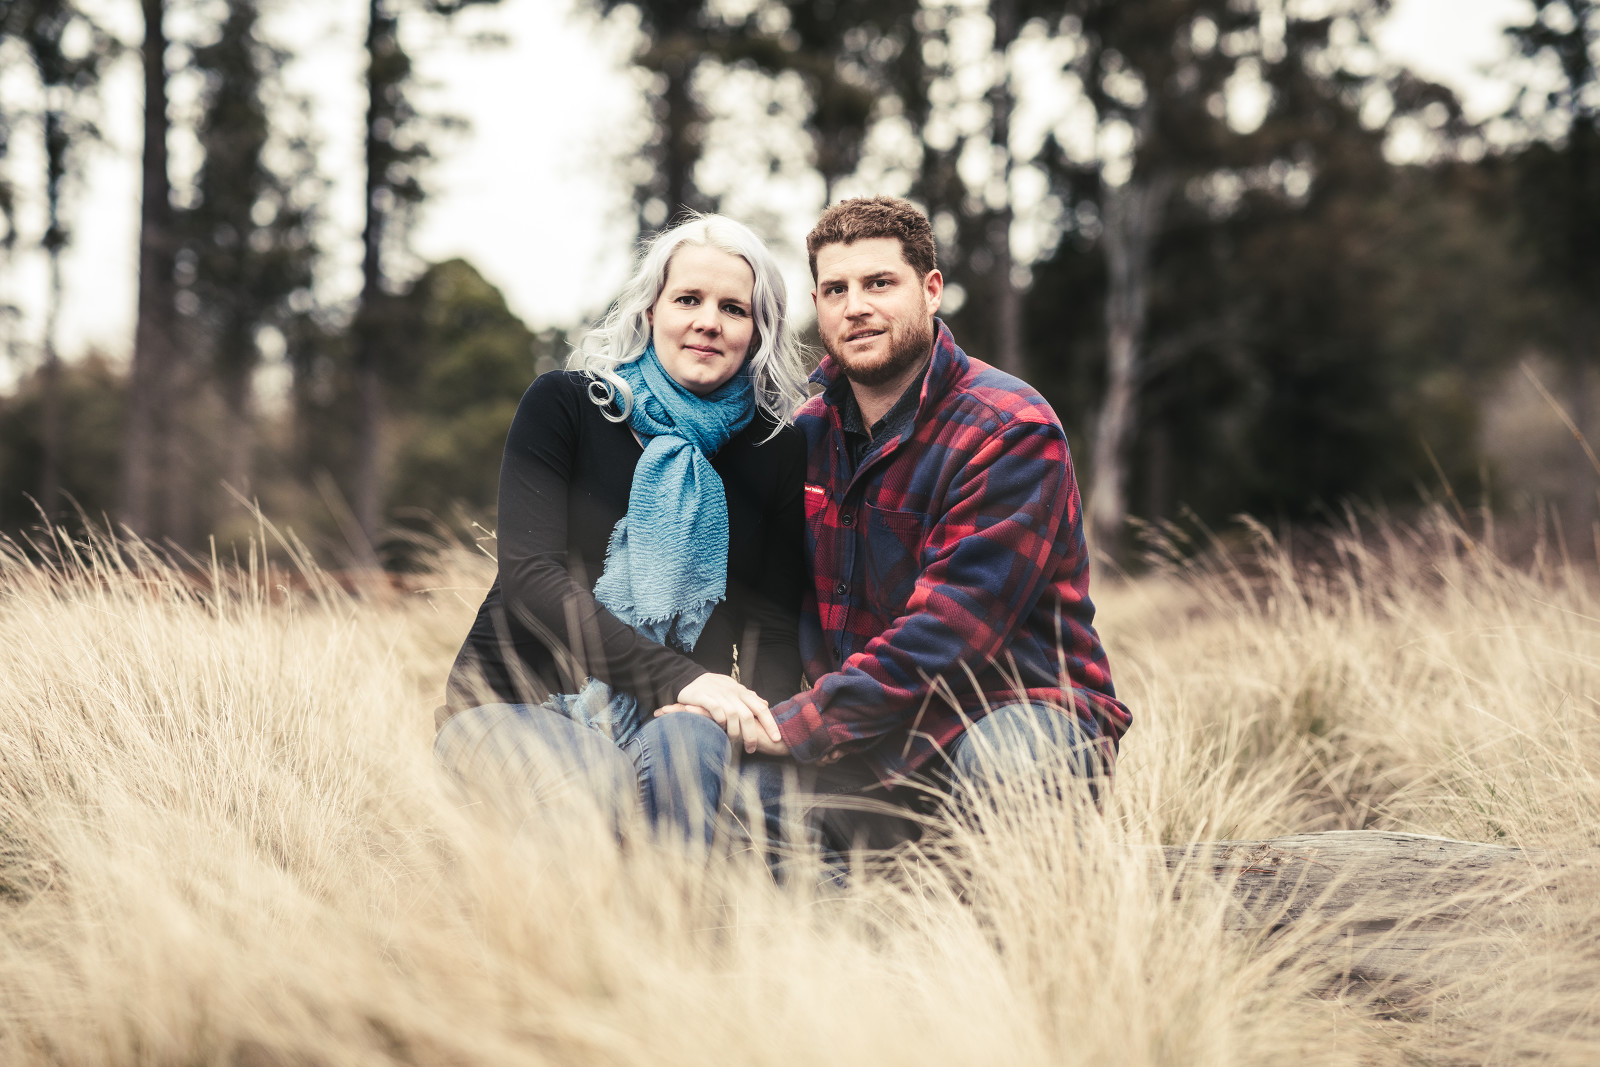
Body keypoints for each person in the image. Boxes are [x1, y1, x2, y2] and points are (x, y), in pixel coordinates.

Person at [689, 196, 1131, 851]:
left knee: (1007, 767)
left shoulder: (1009, 429)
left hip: (1014, 714)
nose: (855, 307)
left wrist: (793, 725)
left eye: (878, 283)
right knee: (734, 800)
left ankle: (1016, 909)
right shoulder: (802, 437)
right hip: (871, 735)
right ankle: (867, 904)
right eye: (836, 290)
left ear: (930, 290)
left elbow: (948, 634)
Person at [434, 214, 808, 846]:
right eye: (688, 299)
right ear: (652, 309)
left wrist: (750, 720)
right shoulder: (568, 406)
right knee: (596, 781)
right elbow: (531, 576)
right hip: (508, 703)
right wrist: (681, 676)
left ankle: (674, 911)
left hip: (679, 715)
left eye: (733, 308)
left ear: (758, 330)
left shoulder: (774, 450)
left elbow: (772, 627)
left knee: (694, 756)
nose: (709, 321)